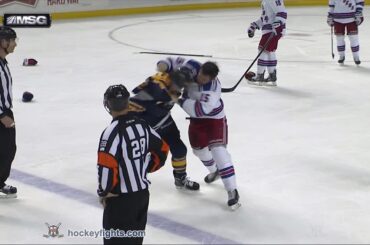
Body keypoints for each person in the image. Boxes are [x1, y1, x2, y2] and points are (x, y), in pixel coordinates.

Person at [159, 57, 240, 210]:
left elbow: (199, 110)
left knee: (219, 152)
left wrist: (177, 99)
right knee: (199, 151)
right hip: (197, 122)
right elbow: (171, 61)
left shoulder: (212, 90)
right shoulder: (193, 66)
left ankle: (232, 190)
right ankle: (215, 171)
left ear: (213, 78)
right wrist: (164, 66)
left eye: (205, 78)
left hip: (214, 120)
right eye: (201, 75)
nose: (201, 79)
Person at [97, 84, 169, 244]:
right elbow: (163, 149)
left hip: (120, 200)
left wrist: (105, 192)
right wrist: (144, 167)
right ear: (127, 102)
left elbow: (106, 165)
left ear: (107, 104)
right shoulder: (141, 125)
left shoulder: (111, 132)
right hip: (142, 196)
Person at [129, 70, 200, 191]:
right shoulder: (154, 88)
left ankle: (180, 178)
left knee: (180, 149)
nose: (181, 89)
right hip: (147, 128)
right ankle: (132, 179)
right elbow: (131, 103)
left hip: (165, 122)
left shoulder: (174, 85)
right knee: (141, 158)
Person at [247, 0, 287, 86]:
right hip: (270, 30)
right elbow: (264, 18)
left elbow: (282, 12)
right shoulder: (265, 1)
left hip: (272, 30)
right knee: (269, 51)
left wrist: (279, 22)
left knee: (262, 50)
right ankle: (272, 76)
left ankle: (259, 76)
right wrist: (254, 25)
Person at [0, 26, 18, 198]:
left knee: (8, 149)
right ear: (3, 42)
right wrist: (1, 115)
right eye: (12, 40)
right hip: (1, 115)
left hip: (5, 112)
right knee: (6, 150)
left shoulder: (3, 61)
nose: (15, 44)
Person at [327, 0, 364, 65]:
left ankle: (356, 56)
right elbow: (331, 5)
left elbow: (360, 2)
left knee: (354, 38)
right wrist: (330, 16)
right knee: (339, 38)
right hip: (337, 20)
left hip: (352, 19)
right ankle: (341, 56)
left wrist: (359, 13)